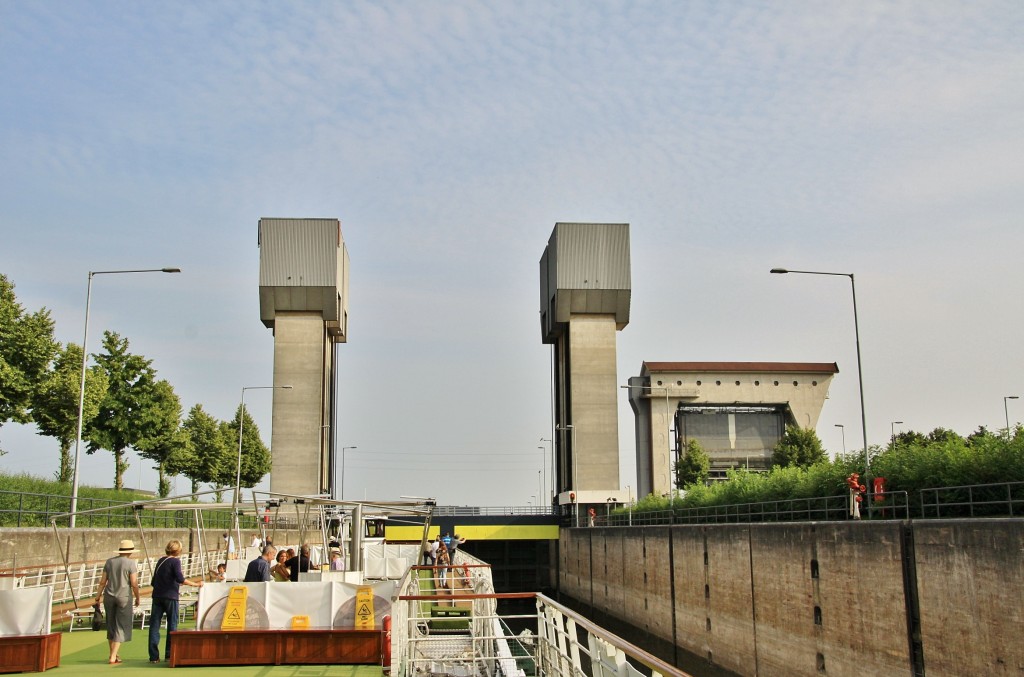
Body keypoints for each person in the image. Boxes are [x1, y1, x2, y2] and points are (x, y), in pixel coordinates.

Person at [148, 540, 203, 663]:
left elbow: (153, 581)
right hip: (171, 596)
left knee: (154, 626)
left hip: (157, 596)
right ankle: (169, 654)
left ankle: (154, 656)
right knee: (172, 626)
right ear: (178, 550)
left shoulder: (161, 561)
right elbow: (180, 578)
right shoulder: (175, 561)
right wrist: (196, 584)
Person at [95, 539, 141, 665]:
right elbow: (134, 583)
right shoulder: (131, 563)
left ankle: (112, 654)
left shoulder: (109, 562)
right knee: (121, 625)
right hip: (124, 596)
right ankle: (113, 656)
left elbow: (103, 581)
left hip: (109, 596)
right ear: (130, 552)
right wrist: (137, 597)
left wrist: (97, 596)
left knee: (111, 625)